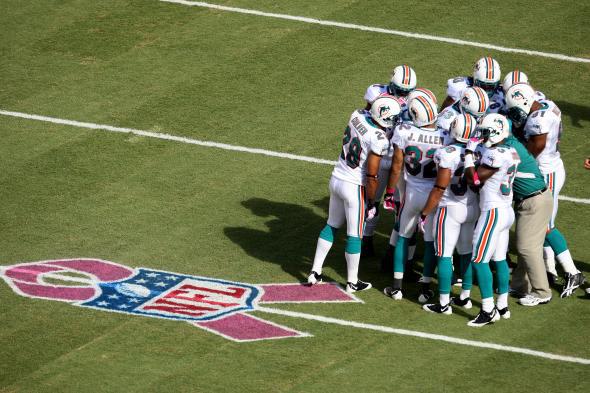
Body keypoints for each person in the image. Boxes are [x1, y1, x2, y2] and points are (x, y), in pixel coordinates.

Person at [307, 95, 402, 293]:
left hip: (337, 177)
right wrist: (372, 201)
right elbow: (372, 175)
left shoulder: (356, 115)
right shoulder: (379, 138)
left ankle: (315, 271)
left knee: (331, 225)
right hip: (354, 186)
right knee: (354, 235)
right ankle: (352, 282)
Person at [505, 83, 585, 297]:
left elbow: (536, 147)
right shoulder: (547, 104)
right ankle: (549, 268)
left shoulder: (537, 120)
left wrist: (519, 157)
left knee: (546, 226)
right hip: (553, 165)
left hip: (546, 170)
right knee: (544, 225)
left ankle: (572, 271)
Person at [382, 93, 448, 301]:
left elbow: (396, 166)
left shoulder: (404, 131)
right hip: (433, 196)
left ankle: (397, 287)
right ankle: (424, 288)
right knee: (429, 242)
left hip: (412, 193)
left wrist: (390, 192)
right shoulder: (446, 135)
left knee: (403, 236)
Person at [419, 114, 481, 315]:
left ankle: (444, 303)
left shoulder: (447, 153)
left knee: (444, 255)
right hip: (472, 206)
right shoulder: (479, 151)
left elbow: (439, 188)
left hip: (450, 208)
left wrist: (425, 213)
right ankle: (464, 297)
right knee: (466, 253)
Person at [464, 113, 520, 327]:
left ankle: (488, 310)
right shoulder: (512, 151)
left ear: (496, 132)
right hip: (506, 210)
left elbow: (475, 179)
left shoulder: (495, 154)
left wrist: (469, 153)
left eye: (486, 132)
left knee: (479, 260)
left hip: (493, 212)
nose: (483, 135)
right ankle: (503, 305)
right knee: (499, 259)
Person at [361, 65, 417, 257]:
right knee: (372, 201)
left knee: (400, 206)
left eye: (406, 91)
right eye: (400, 90)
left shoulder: (415, 99)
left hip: (398, 159)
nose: (403, 94)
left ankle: (394, 248)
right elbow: (366, 117)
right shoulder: (377, 91)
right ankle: (366, 238)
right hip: (379, 153)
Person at [503, 131, 554, 306]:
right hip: (533, 199)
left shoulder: (508, 149)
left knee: (527, 247)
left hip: (533, 201)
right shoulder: (512, 143)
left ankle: (541, 292)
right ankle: (520, 285)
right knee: (527, 244)